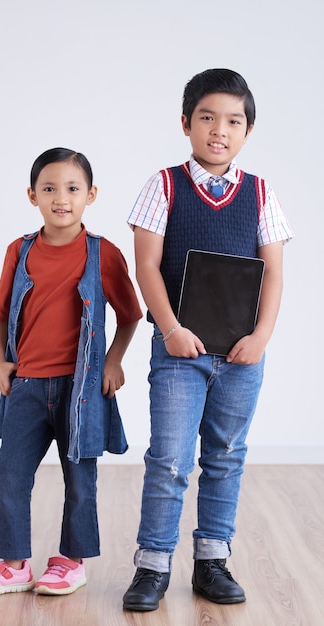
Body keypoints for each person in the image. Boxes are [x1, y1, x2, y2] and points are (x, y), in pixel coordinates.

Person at [123, 69, 294, 611]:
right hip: (180, 353)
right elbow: (145, 265)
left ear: (247, 131)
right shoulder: (165, 184)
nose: (219, 130)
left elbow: (274, 273)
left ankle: (211, 563)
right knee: (170, 457)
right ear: (186, 123)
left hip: (241, 355)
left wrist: (262, 336)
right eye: (208, 118)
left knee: (225, 455)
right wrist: (170, 329)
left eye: (233, 121)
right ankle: (152, 566)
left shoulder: (260, 193)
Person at [0, 147, 142, 599]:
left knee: (80, 478)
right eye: (50, 188)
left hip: (81, 390)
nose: (62, 197)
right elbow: (0, 312)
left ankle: (70, 561)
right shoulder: (19, 251)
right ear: (32, 195)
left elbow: (131, 314)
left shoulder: (104, 254)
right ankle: (13, 564)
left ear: (91, 195)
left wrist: (114, 360)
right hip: (26, 386)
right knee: (11, 475)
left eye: (73, 188)